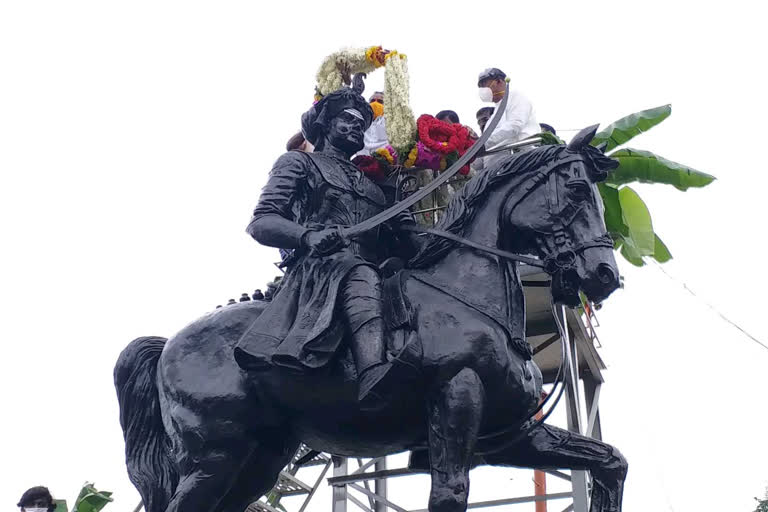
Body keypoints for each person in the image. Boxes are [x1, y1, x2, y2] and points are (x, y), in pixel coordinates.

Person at [234, 84, 417, 410]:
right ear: (325, 125)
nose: (357, 126)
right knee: (360, 273)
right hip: (321, 270)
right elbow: (261, 223)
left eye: (362, 122)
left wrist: (406, 224)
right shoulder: (298, 164)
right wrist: (308, 236)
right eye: (348, 119)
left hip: (372, 271)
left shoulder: (376, 187)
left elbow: (404, 244)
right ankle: (373, 371)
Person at [477, 67, 539, 166]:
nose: (482, 90)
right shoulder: (494, 115)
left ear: (499, 82)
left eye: (485, 85)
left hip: (520, 162)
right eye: (480, 87)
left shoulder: (516, 97)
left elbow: (514, 125)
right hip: (496, 171)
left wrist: (481, 144)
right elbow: (485, 151)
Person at [358, 91, 388, 155]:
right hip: (361, 160)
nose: (375, 103)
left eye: (380, 101)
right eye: (373, 100)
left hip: (384, 159)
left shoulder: (390, 123)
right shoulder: (359, 121)